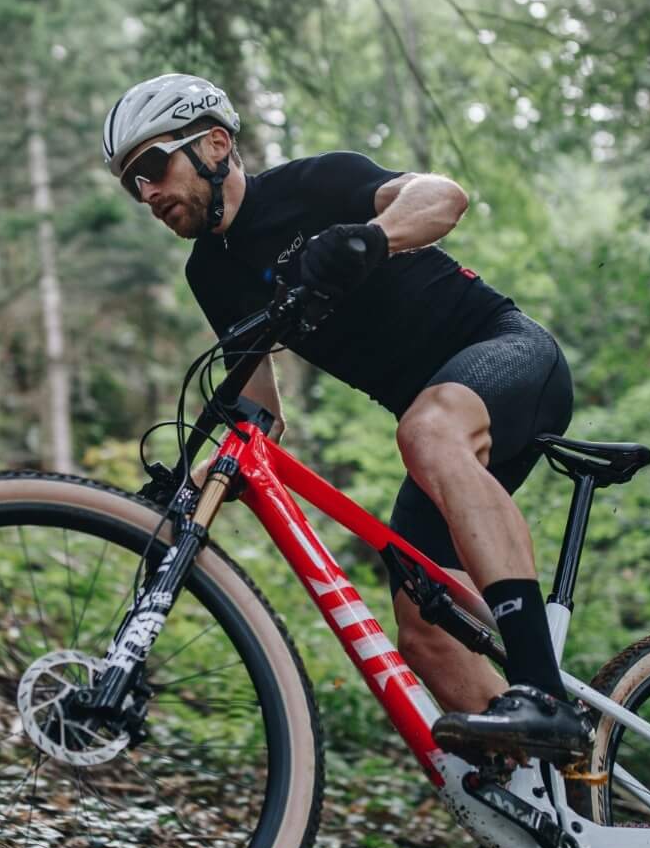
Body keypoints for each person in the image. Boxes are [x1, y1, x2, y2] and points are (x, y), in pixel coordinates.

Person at [101, 73, 587, 760]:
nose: (147, 192)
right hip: (437, 434)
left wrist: (372, 238)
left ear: (214, 144)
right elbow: (259, 414)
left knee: (427, 429)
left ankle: (543, 696)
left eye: (153, 166)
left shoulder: (311, 184)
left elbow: (443, 197)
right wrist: (193, 482)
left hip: (508, 355)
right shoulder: (209, 274)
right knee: (423, 631)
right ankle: (545, 794)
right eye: (133, 184)